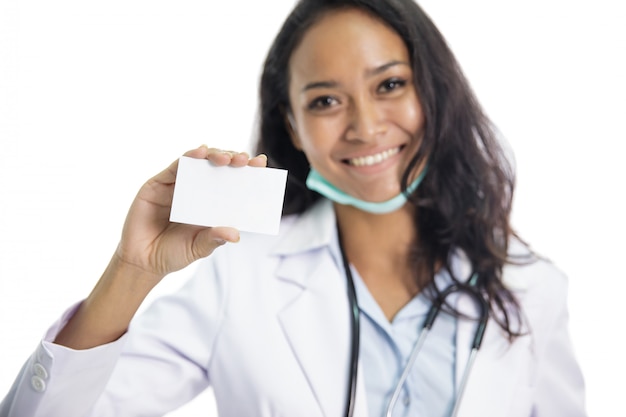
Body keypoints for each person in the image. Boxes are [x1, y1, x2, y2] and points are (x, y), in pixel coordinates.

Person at [0, 0, 586, 416]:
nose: (365, 125)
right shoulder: (240, 276)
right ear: (294, 127)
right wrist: (132, 270)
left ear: (432, 91)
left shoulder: (531, 288)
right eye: (326, 100)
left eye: (389, 85)